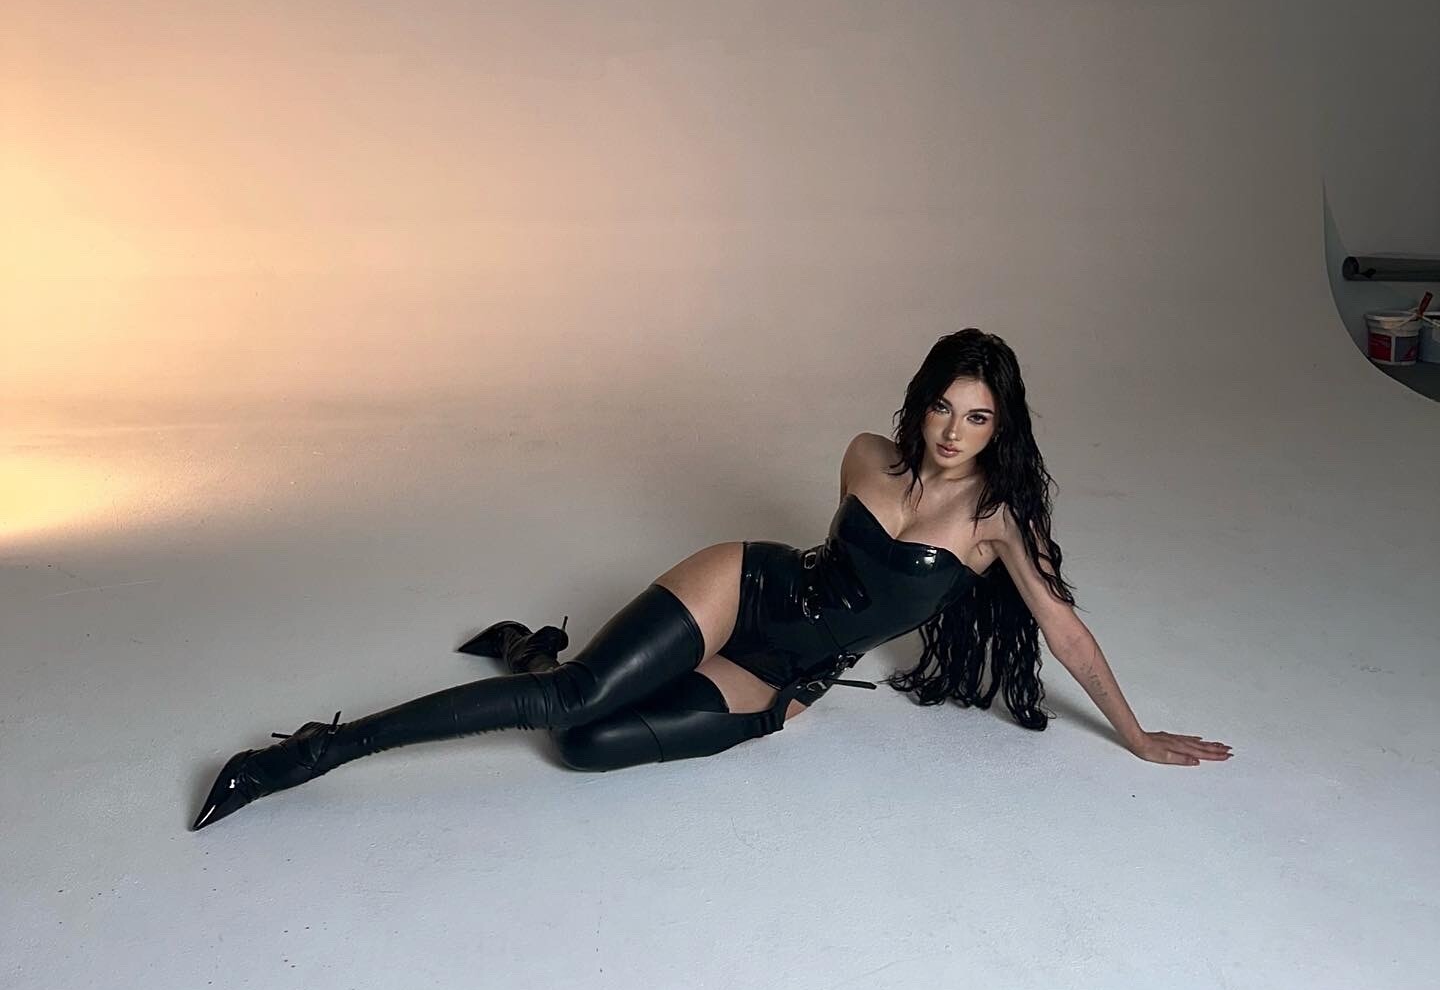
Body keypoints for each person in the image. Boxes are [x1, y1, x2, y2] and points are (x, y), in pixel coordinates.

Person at [191, 329, 1231, 829]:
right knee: (575, 699)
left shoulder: (996, 521)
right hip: (748, 586)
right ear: (920, 401)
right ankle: (318, 750)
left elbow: (1065, 630)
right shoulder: (866, 453)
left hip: (786, 670)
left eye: (978, 417)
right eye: (942, 407)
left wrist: (1137, 733)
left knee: (584, 743)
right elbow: (838, 562)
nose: (953, 432)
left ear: (1002, 427)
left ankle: (530, 651)